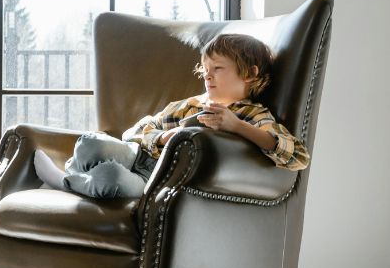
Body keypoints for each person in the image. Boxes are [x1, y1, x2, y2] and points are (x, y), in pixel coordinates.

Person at [33, 33, 310, 199]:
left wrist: (237, 127)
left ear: (250, 73)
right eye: (205, 69)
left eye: (218, 68)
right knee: (89, 143)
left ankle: (64, 183)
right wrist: (165, 136)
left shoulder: (252, 114)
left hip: (154, 179)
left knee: (110, 178)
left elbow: (297, 156)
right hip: (138, 155)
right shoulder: (189, 105)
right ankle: (76, 177)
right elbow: (135, 132)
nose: (208, 75)